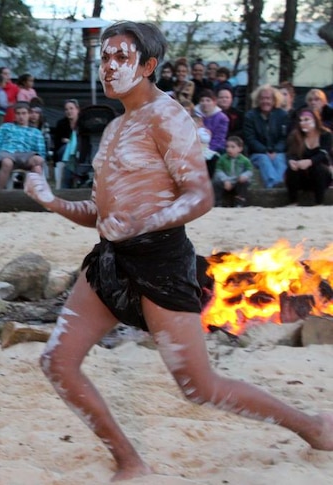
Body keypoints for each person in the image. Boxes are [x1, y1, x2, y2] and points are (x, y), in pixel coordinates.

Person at [23, 21, 333, 482]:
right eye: (104, 57)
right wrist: (53, 201)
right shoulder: (114, 128)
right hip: (109, 262)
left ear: (148, 66)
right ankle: (129, 462)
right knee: (57, 362)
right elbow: (102, 211)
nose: (108, 66)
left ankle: (313, 428)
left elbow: (199, 195)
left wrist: (141, 223)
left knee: (198, 386)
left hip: (162, 263)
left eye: (120, 57)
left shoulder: (167, 117)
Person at [0, 101, 46, 190]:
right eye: (18, 114)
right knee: (7, 163)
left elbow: (41, 152)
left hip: (26, 156)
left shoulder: (36, 132)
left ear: (29, 115)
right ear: (15, 115)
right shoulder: (6, 127)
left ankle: (37, 196)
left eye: (24, 113)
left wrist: (38, 161)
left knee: (38, 162)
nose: (21, 116)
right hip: (7, 153)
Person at [284, 108, 332, 206]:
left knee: (318, 168)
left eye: (306, 120)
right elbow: (290, 153)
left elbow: (324, 154)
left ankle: (319, 202)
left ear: (315, 120)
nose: (303, 123)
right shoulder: (295, 135)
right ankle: (293, 202)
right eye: (301, 120)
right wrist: (291, 161)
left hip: (321, 176)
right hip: (303, 176)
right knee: (291, 170)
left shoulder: (326, 135)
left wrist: (310, 161)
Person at [244, 84, 289, 188]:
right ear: (258, 100)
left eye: (268, 98)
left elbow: (285, 137)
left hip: (278, 151)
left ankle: (280, 186)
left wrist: (275, 150)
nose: (265, 101)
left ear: (274, 100)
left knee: (279, 159)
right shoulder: (250, 116)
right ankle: (273, 187)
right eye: (262, 98)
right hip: (257, 153)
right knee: (264, 160)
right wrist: (265, 150)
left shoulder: (282, 115)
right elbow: (250, 139)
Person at [196, 89, 230, 177]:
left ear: (214, 102)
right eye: (202, 100)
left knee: (212, 160)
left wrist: (208, 150)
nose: (205, 103)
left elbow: (219, 138)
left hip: (215, 148)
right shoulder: (194, 115)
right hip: (197, 146)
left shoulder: (222, 118)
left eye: (208, 100)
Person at [212, 136, 253, 207]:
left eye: (233, 147)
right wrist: (225, 180)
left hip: (237, 181)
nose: (229, 149)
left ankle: (239, 202)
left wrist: (244, 176)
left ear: (240, 149)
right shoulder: (222, 159)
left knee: (244, 183)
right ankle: (217, 202)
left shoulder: (245, 160)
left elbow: (249, 170)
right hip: (225, 181)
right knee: (216, 183)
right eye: (227, 147)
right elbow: (219, 171)